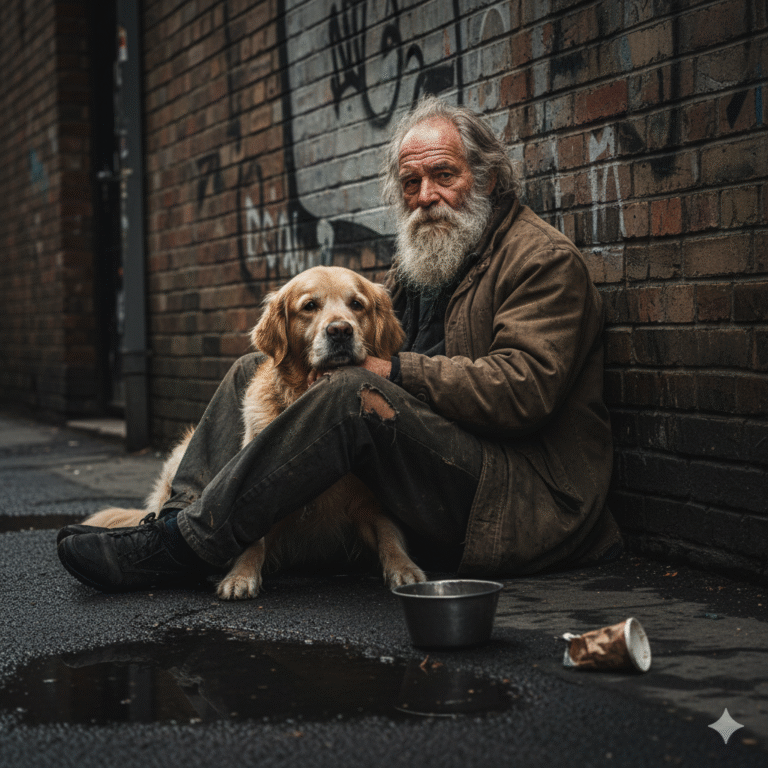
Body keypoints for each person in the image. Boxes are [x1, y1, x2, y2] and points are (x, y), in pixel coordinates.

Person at [57, 97, 622, 592]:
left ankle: (186, 547)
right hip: (441, 468)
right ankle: (174, 523)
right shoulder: (424, 264)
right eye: (410, 183)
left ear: (488, 179)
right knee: (253, 369)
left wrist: (390, 371)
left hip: (518, 501)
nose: (426, 196)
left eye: (443, 175)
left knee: (353, 389)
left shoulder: (542, 262)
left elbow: (523, 392)